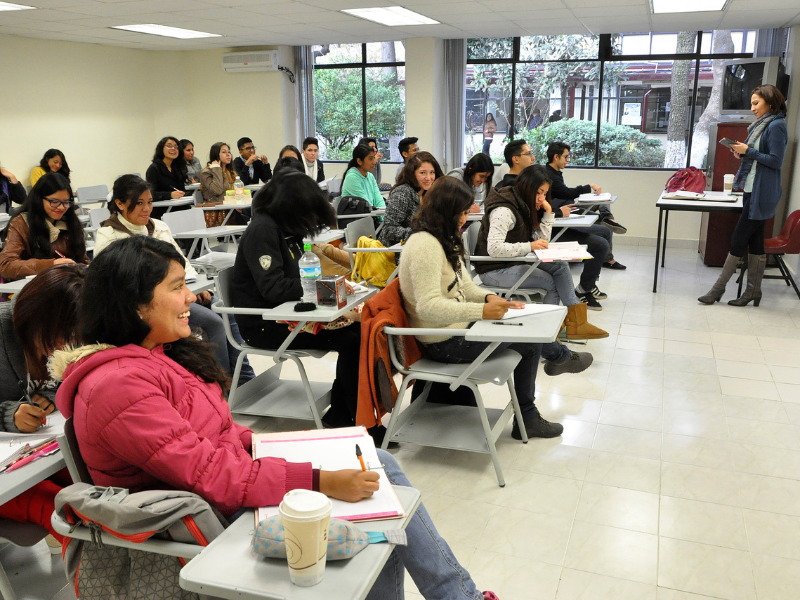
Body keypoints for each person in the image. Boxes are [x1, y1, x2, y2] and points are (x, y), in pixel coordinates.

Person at [52, 235, 502, 600]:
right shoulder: (117, 385)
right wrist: (317, 478)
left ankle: (456, 596)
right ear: (134, 305)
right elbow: (208, 474)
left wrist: (299, 448)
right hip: (201, 526)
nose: (192, 296)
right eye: (175, 287)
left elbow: (223, 436)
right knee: (374, 497)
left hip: (220, 496)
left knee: (371, 466)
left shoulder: (155, 355)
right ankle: (458, 596)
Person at [399, 176, 564, 440]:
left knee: (524, 326)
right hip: (443, 341)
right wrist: (481, 312)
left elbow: (467, 286)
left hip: (458, 330)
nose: (465, 219)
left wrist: (489, 299)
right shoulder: (424, 245)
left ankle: (531, 408)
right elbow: (428, 307)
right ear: (445, 210)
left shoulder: (443, 237)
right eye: (462, 213)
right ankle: (528, 417)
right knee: (528, 342)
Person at [231, 171, 371, 433]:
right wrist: (323, 287)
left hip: (289, 314)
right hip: (264, 324)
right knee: (352, 341)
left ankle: (344, 413)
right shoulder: (263, 230)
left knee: (363, 331)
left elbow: (300, 277)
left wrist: (332, 284)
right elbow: (274, 288)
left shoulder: (284, 228)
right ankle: (354, 418)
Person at [94, 174, 254, 385]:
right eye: (139, 203)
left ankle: (244, 380)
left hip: (178, 293)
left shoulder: (159, 226)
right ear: (120, 204)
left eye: (149, 202)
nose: (146, 209)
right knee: (213, 323)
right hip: (149, 305)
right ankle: (220, 386)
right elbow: (114, 285)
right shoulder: (109, 235)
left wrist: (192, 288)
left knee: (226, 311)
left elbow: (182, 263)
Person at [0, 264, 87, 551]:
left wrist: (49, 391)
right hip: (8, 465)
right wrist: (7, 415)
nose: (65, 345)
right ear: (32, 317)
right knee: (56, 506)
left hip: (28, 450)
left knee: (83, 481)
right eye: (58, 335)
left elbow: (66, 373)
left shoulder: (58, 336)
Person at [473, 165, 608, 347]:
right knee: (551, 284)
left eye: (545, 193)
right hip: (494, 269)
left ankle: (573, 322)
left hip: (513, 262)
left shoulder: (524, 203)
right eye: (539, 192)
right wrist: (529, 245)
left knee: (560, 265)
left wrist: (548, 213)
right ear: (527, 187)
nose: (542, 198)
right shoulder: (505, 210)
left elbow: (542, 242)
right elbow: (494, 249)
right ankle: (547, 339)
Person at [699, 84, 788, 307]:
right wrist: (744, 154)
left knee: (739, 239)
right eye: (752, 103)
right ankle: (753, 292)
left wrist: (748, 151)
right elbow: (759, 158)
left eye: (756, 103)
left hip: (763, 192)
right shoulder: (760, 125)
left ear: (770, 102)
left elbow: (776, 161)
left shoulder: (776, 126)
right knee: (756, 242)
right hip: (752, 189)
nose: (752, 108)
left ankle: (717, 290)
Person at [496, 142, 609, 310]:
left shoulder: (528, 182)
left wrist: (551, 212)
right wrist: (553, 213)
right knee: (595, 246)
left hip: (536, 237)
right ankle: (576, 309)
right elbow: (498, 246)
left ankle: (576, 313)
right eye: (528, 154)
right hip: (522, 250)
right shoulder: (512, 189)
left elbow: (540, 217)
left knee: (600, 235)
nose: (533, 157)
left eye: (543, 193)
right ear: (516, 159)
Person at [546, 141, 627, 270]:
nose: (567, 160)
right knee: (603, 227)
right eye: (566, 157)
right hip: (565, 209)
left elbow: (565, 193)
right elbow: (566, 193)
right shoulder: (549, 175)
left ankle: (607, 218)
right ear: (556, 157)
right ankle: (608, 257)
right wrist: (588, 187)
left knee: (603, 202)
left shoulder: (554, 172)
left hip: (567, 204)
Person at [0, 173, 88, 281]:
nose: (61, 207)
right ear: (39, 199)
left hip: (67, 285)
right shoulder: (21, 223)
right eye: (54, 202)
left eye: (66, 202)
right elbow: (6, 265)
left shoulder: (70, 222)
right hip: (33, 288)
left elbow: (83, 261)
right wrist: (50, 264)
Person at [378, 151, 443, 248]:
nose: (428, 178)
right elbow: (389, 229)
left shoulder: (429, 193)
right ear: (412, 174)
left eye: (432, 172)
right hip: (395, 252)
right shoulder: (402, 193)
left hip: (418, 246)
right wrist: (419, 233)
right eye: (423, 173)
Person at [145, 136, 188, 219]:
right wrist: (170, 195)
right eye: (169, 146)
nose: (173, 149)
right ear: (161, 148)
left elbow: (181, 189)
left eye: (176, 147)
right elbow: (150, 194)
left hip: (179, 208)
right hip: (162, 211)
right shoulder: (154, 168)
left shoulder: (178, 167)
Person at [340, 143, 385, 211]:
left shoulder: (370, 176)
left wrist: (384, 215)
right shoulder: (352, 178)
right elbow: (366, 206)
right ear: (359, 161)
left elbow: (378, 199)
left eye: (374, 158)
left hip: (370, 216)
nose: (374, 162)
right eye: (370, 159)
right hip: (358, 219)